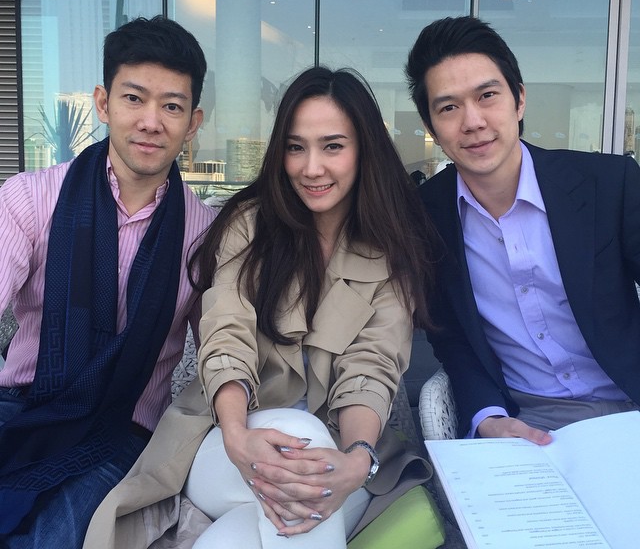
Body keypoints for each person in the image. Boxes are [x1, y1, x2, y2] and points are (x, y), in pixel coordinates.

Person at [83, 66, 439, 549]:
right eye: (296, 147)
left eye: (333, 146)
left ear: (364, 150)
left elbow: (371, 367)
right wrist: (236, 434)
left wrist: (357, 459)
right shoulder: (249, 228)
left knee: (243, 534)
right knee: (299, 436)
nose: (311, 167)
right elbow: (226, 336)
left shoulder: (391, 249)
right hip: (224, 445)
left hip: (335, 457)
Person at [0, 16, 216, 547]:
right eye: (133, 98)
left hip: (122, 428)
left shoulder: (206, 234)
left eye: (172, 106)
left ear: (193, 122)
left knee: (55, 536)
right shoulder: (30, 199)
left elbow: (222, 347)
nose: (151, 122)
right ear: (103, 103)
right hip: (22, 404)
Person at [405, 15, 640, 444]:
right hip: (528, 418)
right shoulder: (423, 216)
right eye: (449, 107)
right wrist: (488, 417)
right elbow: (451, 335)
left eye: (487, 95)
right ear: (431, 127)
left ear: (519, 100)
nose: (473, 121)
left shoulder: (608, 184)